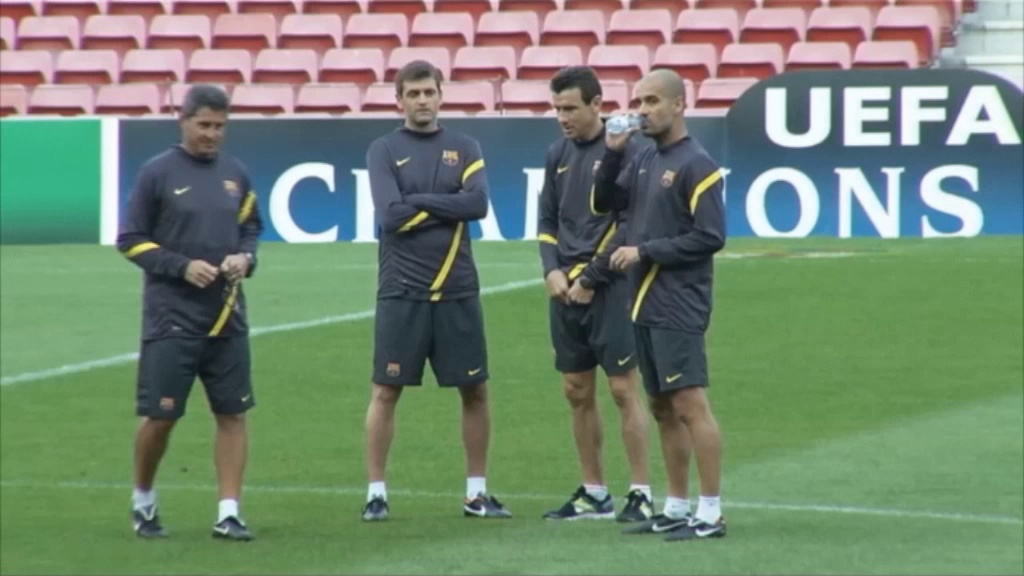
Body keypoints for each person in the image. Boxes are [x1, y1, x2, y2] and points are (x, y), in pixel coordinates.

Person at [361, 60, 511, 522]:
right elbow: (390, 216)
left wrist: (418, 202)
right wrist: (449, 204)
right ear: (399, 100)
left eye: (429, 92)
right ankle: (376, 494)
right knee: (386, 391)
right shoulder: (383, 149)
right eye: (414, 93)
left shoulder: (465, 146)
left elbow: (477, 204)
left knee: (475, 390)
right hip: (402, 290)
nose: (422, 100)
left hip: (457, 288)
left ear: (441, 95)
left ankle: (476, 493)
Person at [116, 84, 263, 541]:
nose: (212, 134)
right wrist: (181, 267)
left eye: (220, 126)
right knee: (161, 418)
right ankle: (143, 498)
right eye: (204, 125)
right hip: (172, 319)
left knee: (233, 414)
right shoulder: (157, 173)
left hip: (227, 317)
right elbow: (130, 240)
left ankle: (229, 512)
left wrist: (245, 258)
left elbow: (251, 228)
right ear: (183, 121)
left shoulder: (236, 173)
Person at [593, 69, 727, 541]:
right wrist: (612, 155)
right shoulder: (644, 157)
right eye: (638, 101)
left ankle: (710, 512)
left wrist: (645, 252)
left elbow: (711, 237)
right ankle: (675, 505)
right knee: (661, 406)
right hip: (642, 300)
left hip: (679, 300)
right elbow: (605, 204)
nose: (642, 110)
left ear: (678, 105)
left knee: (689, 404)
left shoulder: (697, 164)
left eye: (652, 101)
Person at [536, 66, 655, 522]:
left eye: (570, 108)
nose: (562, 117)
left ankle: (641, 492)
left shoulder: (627, 151)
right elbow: (547, 220)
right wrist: (551, 271)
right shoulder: (556, 153)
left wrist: (589, 278)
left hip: (611, 287)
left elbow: (629, 225)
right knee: (575, 389)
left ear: (597, 105)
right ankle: (594, 491)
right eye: (556, 109)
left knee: (623, 389)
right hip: (564, 289)